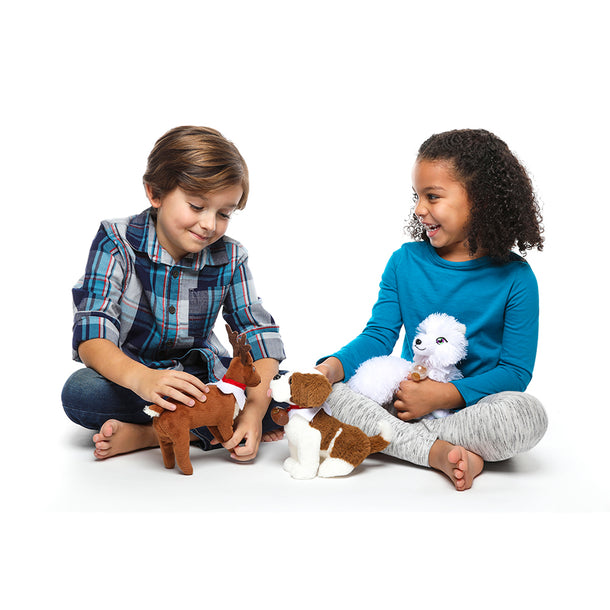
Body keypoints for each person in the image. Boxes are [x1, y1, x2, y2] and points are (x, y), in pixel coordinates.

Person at [316, 129, 548, 491]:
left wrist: (443, 396)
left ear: (481, 201)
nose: (419, 209)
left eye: (433, 196)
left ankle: (407, 442)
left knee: (527, 416)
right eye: (417, 196)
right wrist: (329, 369)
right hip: (406, 401)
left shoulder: (517, 278)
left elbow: (515, 372)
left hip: (474, 410)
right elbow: (379, 335)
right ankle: (437, 452)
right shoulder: (404, 262)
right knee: (329, 395)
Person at [62, 126, 285, 463]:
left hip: (203, 381)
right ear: (156, 193)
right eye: (197, 206)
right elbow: (93, 334)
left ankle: (153, 434)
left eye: (224, 213)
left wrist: (254, 411)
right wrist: (143, 379)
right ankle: (201, 427)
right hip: (134, 379)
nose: (209, 224)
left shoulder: (231, 256)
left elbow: (258, 334)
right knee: (81, 391)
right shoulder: (116, 240)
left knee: (286, 391)